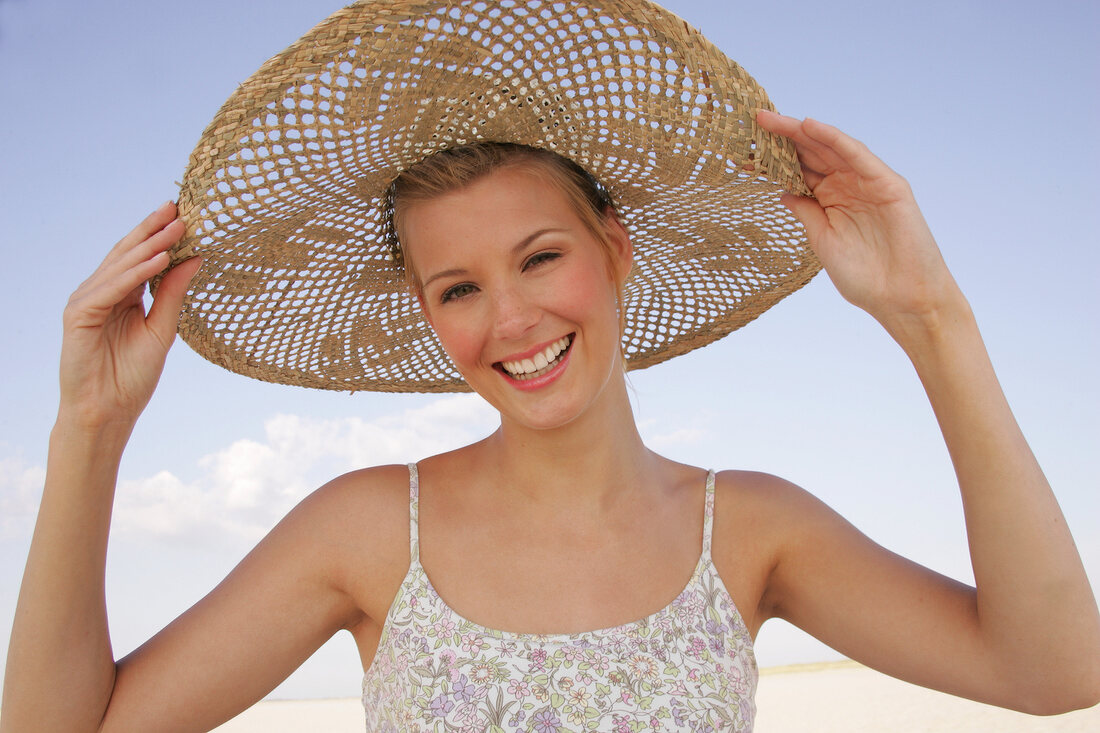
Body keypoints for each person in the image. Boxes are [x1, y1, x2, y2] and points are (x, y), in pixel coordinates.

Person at [3, 1, 1099, 731]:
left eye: (540, 257)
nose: (512, 318)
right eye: (458, 287)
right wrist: (89, 429)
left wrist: (933, 320)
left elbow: (1052, 671)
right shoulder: (372, 529)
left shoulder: (753, 529)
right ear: (428, 316)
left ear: (614, 249)